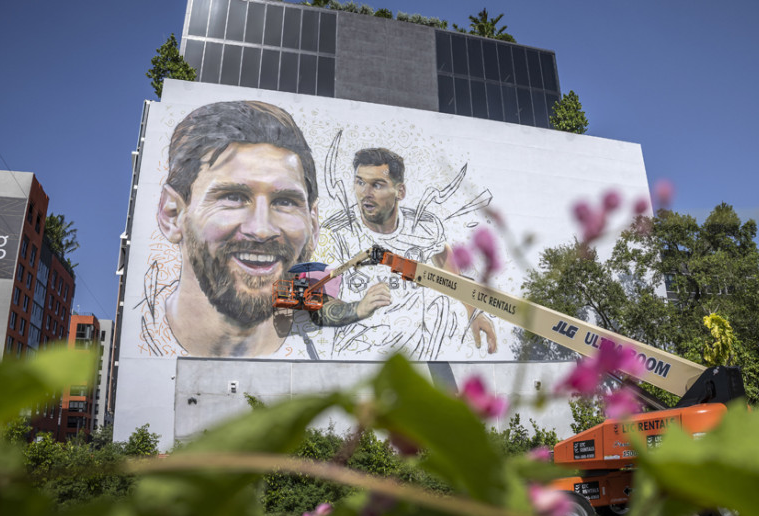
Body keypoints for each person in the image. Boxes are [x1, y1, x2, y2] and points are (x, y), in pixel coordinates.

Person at [148, 101, 389, 358]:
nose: (262, 230)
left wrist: (360, 308)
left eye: (285, 202)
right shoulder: (142, 344)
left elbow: (324, 308)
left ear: (313, 222)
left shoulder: (324, 341)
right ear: (172, 214)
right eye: (233, 197)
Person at [323, 148, 497, 359]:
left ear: (400, 191)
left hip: (414, 363)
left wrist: (472, 311)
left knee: (439, 305)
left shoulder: (424, 227)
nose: (365, 193)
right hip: (357, 359)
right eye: (360, 182)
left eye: (377, 185)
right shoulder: (336, 232)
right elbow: (319, 304)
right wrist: (358, 308)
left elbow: (445, 261)